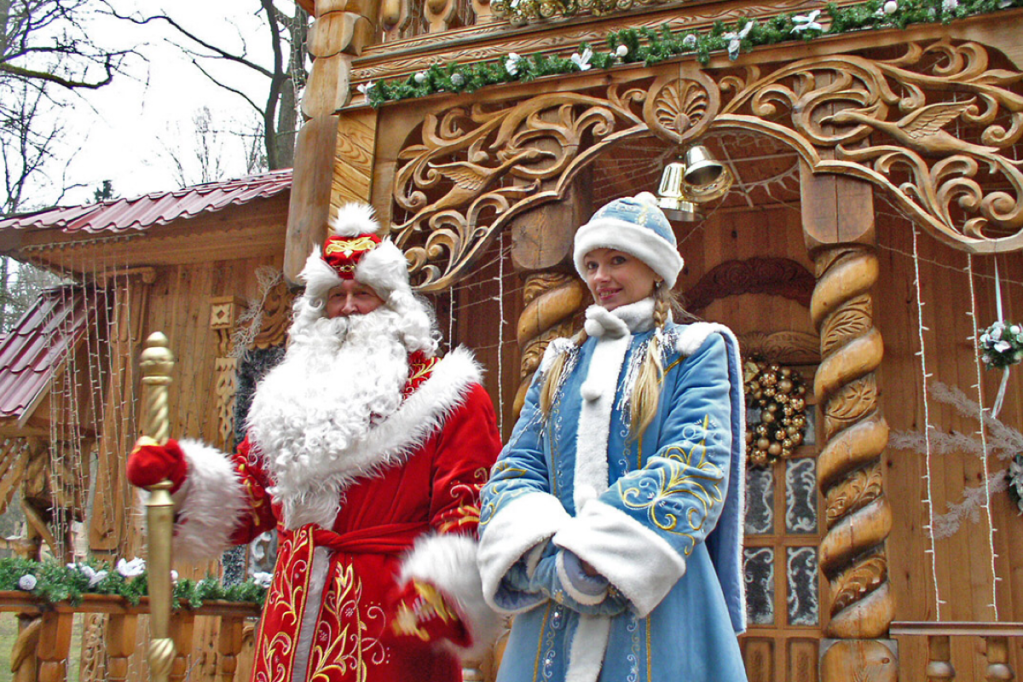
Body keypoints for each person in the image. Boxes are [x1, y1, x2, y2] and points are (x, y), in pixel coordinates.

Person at [127, 202, 503, 682]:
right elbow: (254, 499)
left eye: (362, 294)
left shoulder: (448, 394)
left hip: (390, 622)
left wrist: (441, 594)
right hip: (291, 608)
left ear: (393, 305)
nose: (346, 308)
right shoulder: (285, 396)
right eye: (334, 296)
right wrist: (182, 480)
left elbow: (470, 504)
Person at [478, 193, 747, 682]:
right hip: (552, 602)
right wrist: (548, 561)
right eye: (593, 263)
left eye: (618, 260)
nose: (601, 276)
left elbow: (696, 462)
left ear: (656, 268)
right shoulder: (559, 362)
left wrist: (598, 560)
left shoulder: (691, 351)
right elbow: (517, 466)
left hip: (662, 599)